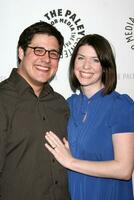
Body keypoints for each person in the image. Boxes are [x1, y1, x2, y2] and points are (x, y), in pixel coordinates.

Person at [45, 34, 134, 200]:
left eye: (95, 60)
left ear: (105, 66)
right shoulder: (68, 105)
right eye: (81, 58)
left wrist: (70, 162)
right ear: (74, 63)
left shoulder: (121, 106)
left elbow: (124, 170)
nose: (86, 66)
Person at [0, 21, 70, 200]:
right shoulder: (3, 100)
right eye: (38, 50)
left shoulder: (61, 104)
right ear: (21, 52)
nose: (46, 59)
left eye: (53, 53)